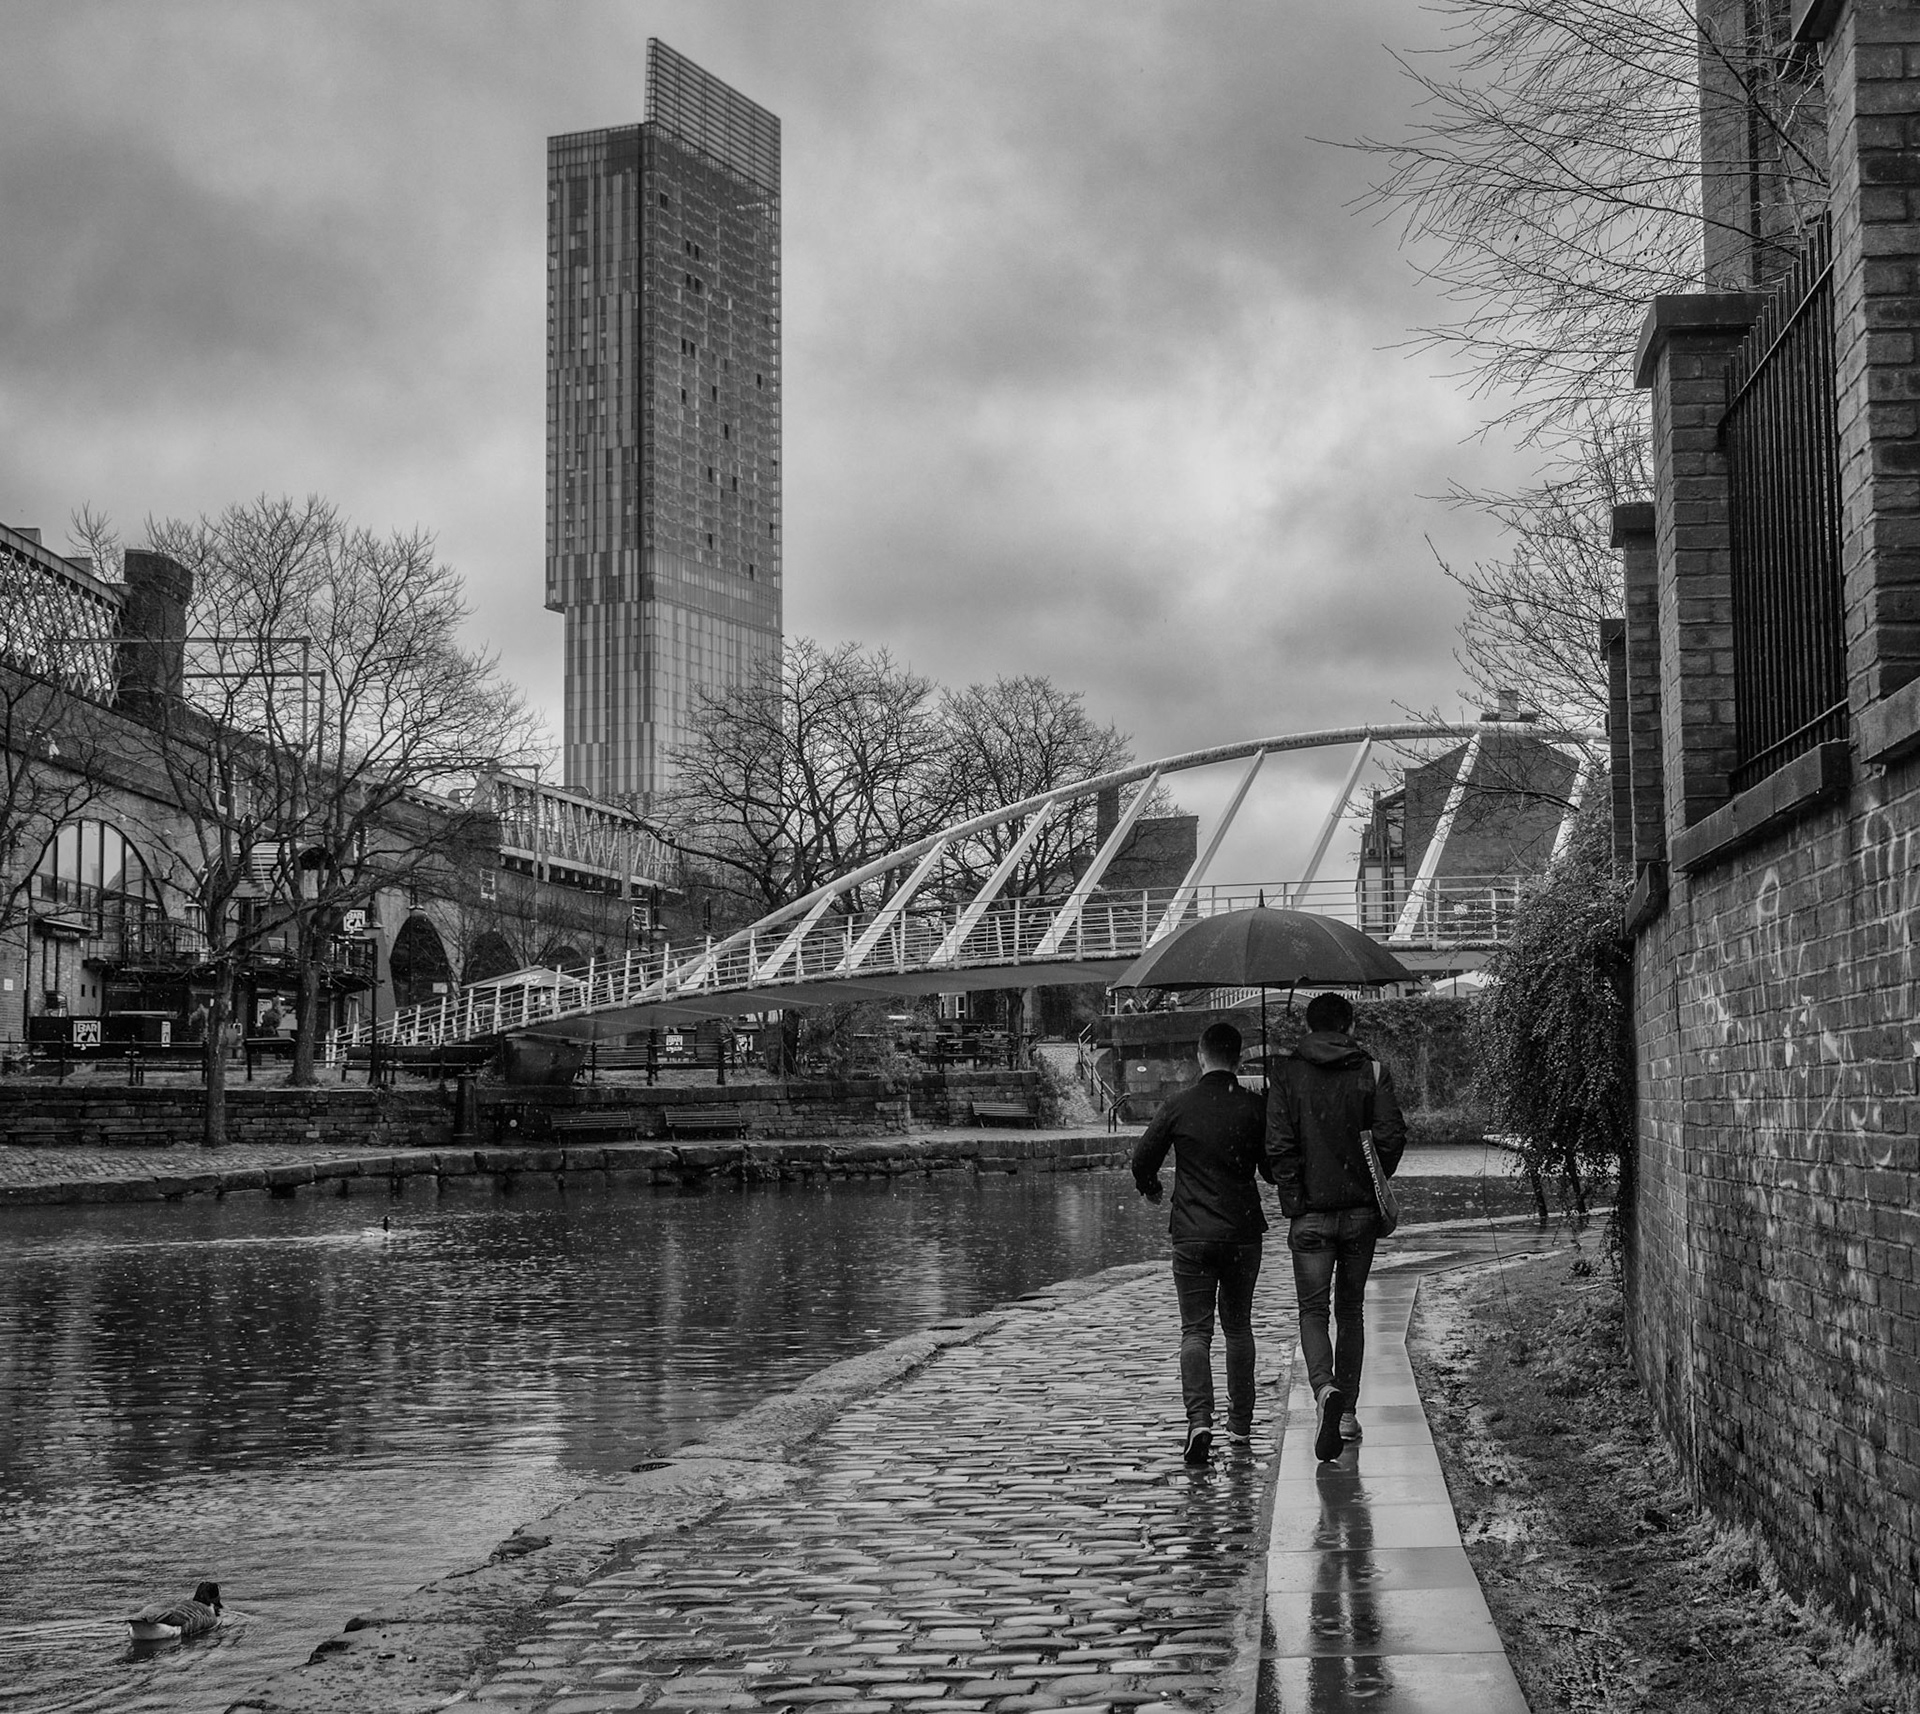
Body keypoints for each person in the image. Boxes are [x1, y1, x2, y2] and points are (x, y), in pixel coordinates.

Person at [1268, 991, 1407, 1463]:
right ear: (1349, 1025)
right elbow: (1391, 1135)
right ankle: (1346, 1413)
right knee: (1350, 1311)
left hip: (1308, 1215)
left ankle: (1324, 1388)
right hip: (1360, 1214)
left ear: (1309, 1027)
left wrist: (1294, 1196)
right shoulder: (1370, 1071)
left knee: (1312, 1310)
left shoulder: (1286, 1073)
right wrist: (1372, 1180)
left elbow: (1279, 1146)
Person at [1131, 1020, 1271, 1464]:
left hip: (1191, 1232)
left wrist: (1152, 1187)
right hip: (1242, 1233)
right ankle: (1241, 1426)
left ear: (1200, 1055)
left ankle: (1199, 1420)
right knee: (1238, 1327)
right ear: (1239, 1058)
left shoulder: (1179, 1105)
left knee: (1196, 1330)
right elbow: (1270, 1170)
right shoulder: (1254, 1107)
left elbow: (1142, 1158)